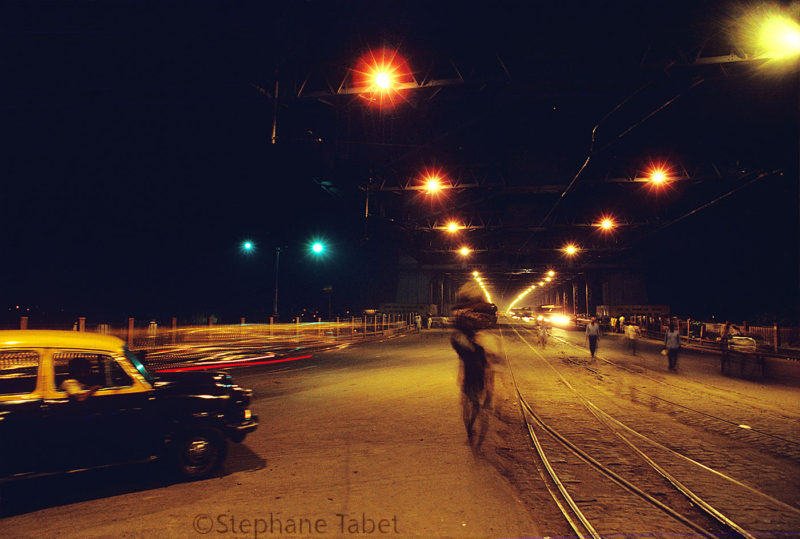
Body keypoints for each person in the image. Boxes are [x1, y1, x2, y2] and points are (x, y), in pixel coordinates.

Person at [450, 282, 498, 449]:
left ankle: (480, 393)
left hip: (466, 341)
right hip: (470, 340)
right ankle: (488, 395)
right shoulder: (476, 309)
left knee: (474, 359)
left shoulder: (464, 309)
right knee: (486, 360)